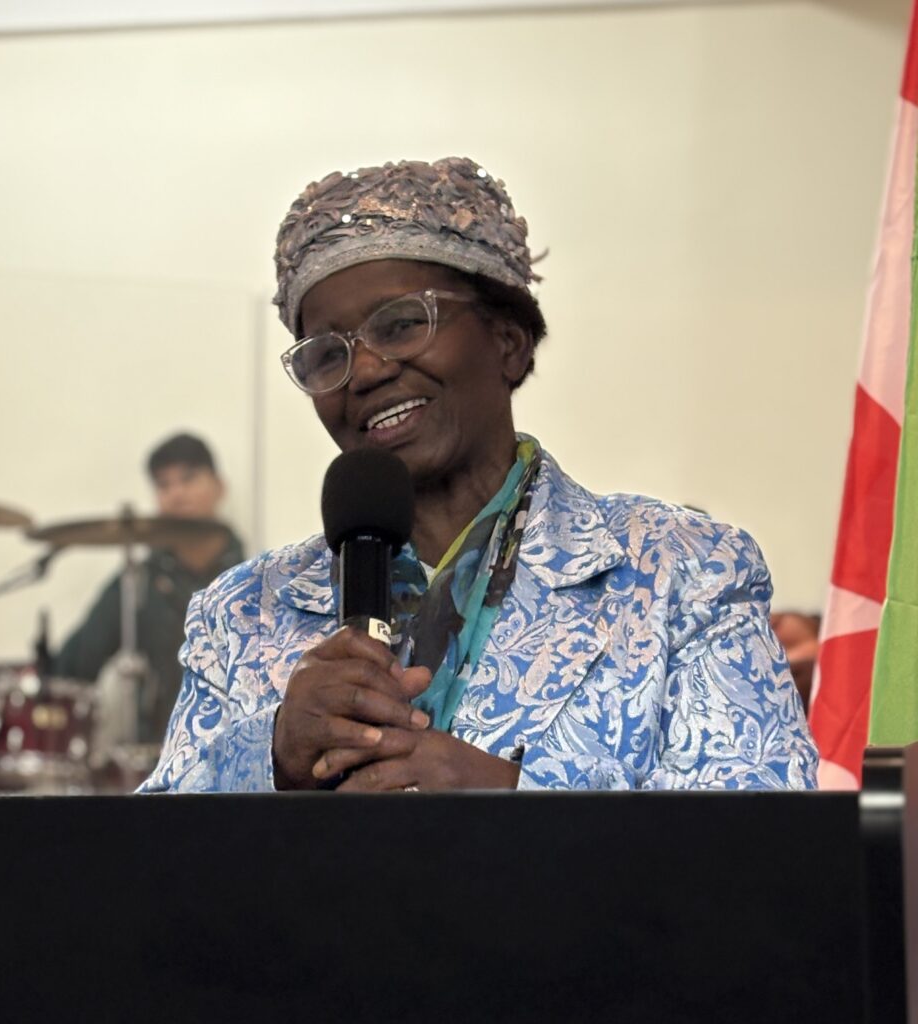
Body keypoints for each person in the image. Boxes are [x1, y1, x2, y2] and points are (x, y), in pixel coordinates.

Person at [141, 157, 817, 793]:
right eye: (328, 355)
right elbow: (142, 875)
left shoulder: (682, 571)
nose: (368, 371)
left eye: (402, 324)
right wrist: (272, 759)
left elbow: (768, 850)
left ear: (509, 341)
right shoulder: (239, 613)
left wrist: (508, 797)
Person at [55, 432, 245, 743]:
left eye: (188, 478)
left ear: (219, 487)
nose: (176, 493)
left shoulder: (252, 579)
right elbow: (73, 669)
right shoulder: (139, 583)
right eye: (163, 485)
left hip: (241, 762)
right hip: (160, 763)